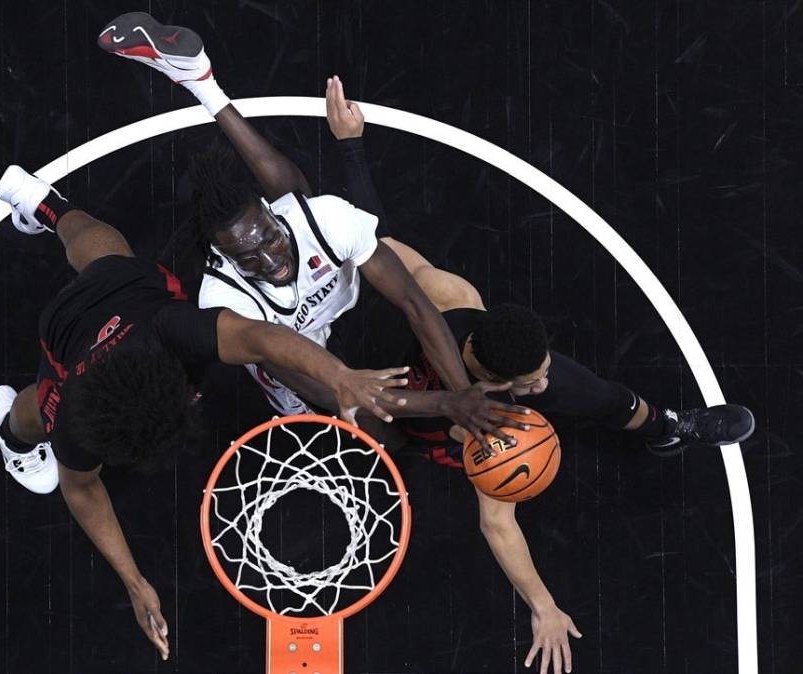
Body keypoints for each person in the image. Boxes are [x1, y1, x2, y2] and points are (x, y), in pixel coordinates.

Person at [273, 76, 757, 674]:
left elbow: (380, 235)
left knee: (607, 398)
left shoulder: (476, 325)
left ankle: (667, 428)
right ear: (488, 375)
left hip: (447, 396)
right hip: (398, 394)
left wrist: (350, 145)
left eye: (540, 371)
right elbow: (497, 522)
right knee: (381, 433)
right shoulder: (438, 331)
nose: (540, 386)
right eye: (529, 382)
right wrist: (543, 607)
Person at [0, 165, 414, 661]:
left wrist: (340, 376)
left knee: (107, 264)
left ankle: (45, 206)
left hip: (128, 303)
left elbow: (263, 338)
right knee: (91, 292)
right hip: (78, 329)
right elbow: (81, 490)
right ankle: (10, 433)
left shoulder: (173, 329)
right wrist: (134, 580)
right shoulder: (75, 417)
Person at [97, 11, 528, 448]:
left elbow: (415, 303)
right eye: (248, 258)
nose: (271, 262)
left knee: (314, 213)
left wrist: (463, 393)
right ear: (223, 259)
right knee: (384, 439)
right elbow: (322, 387)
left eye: (269, 239)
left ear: (273, 212)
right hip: (300, 361)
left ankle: (202, 82)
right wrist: (443, 405)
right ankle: (200, 81)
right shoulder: (224, 298)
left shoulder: (323, 218)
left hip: (350, 310)